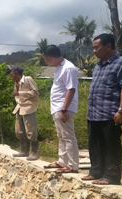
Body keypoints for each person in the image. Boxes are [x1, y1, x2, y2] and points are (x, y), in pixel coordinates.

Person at [81, 33, 122, 185]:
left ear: (108, 47)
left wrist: (121, 110)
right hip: (93, 113)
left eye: (96, 47)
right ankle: (96, 171)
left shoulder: (121, 63)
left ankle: (111, 176)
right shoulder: (98, 65)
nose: (94, 51)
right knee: (95, 144)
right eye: (93, 48)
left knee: (111, 145)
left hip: (110, 113)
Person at [41, 45, 80, 173]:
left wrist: (64, 109)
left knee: (68, 136)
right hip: (57, 107)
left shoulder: (68, 68)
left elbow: (71, 89)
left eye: (46, 59)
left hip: (63, 107)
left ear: (50, 58)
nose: (46, 62)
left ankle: (72, 165)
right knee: (61, 136)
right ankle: (62, 161)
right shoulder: (59, 68)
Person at [9, 66, 40, 161]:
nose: (10, 75)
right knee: (19, 130)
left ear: (15, 72)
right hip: (19, 107)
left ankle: (34, 153)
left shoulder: (27, 79)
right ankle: (24, 151)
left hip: (28, 107)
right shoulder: (16, 83)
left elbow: (35, 92)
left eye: (11, 73)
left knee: (30, 130)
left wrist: (19, 93)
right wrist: (18, 97)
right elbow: (17, 95)